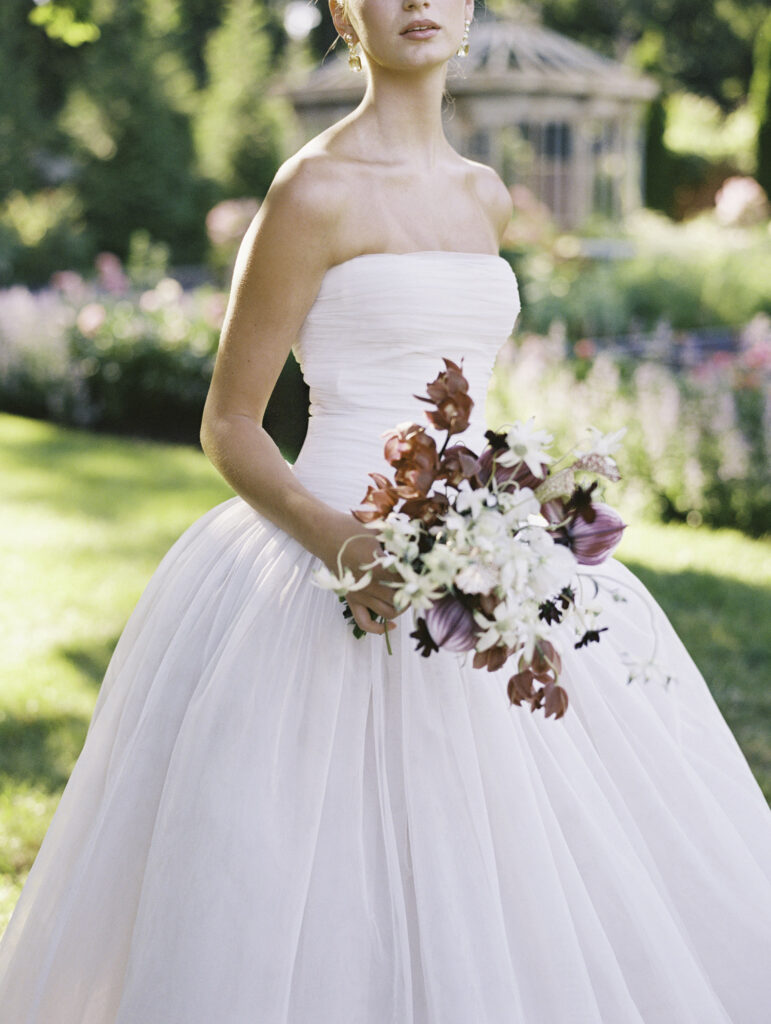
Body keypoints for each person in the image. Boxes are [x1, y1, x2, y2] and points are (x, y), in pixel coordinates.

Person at [1, 0, 770, 1020]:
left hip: (492, 562)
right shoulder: (310, 191)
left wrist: (517, 498)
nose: (417, 1)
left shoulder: (488, 195)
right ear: (344, 13)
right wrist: (344, 543)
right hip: (322, 556)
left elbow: (463, 390)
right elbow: (230, 425)